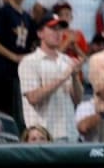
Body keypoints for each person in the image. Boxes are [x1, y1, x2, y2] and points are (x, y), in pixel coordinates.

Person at [18, 14, 84, 143]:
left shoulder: (66, 60)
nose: (58, 33)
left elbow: (78, 99)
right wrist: (63, 77)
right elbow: (33, 98)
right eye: (53, 29)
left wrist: (75, 77)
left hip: (70, 133)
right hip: (44, 136)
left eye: (60, 29)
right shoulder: (29, 62)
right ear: (40, 33)